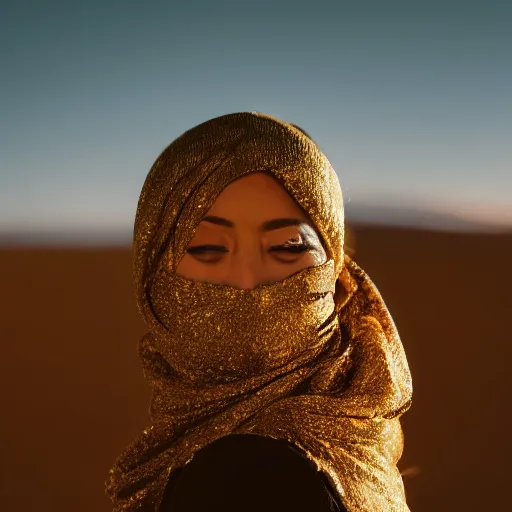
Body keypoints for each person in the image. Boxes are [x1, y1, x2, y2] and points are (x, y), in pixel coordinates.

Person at [105, 112, 412, 511]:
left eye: (287, 247)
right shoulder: (356, 440)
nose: (249, 283)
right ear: (152, 276)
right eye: (207, 248)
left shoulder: (243, 476)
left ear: (334, 269)